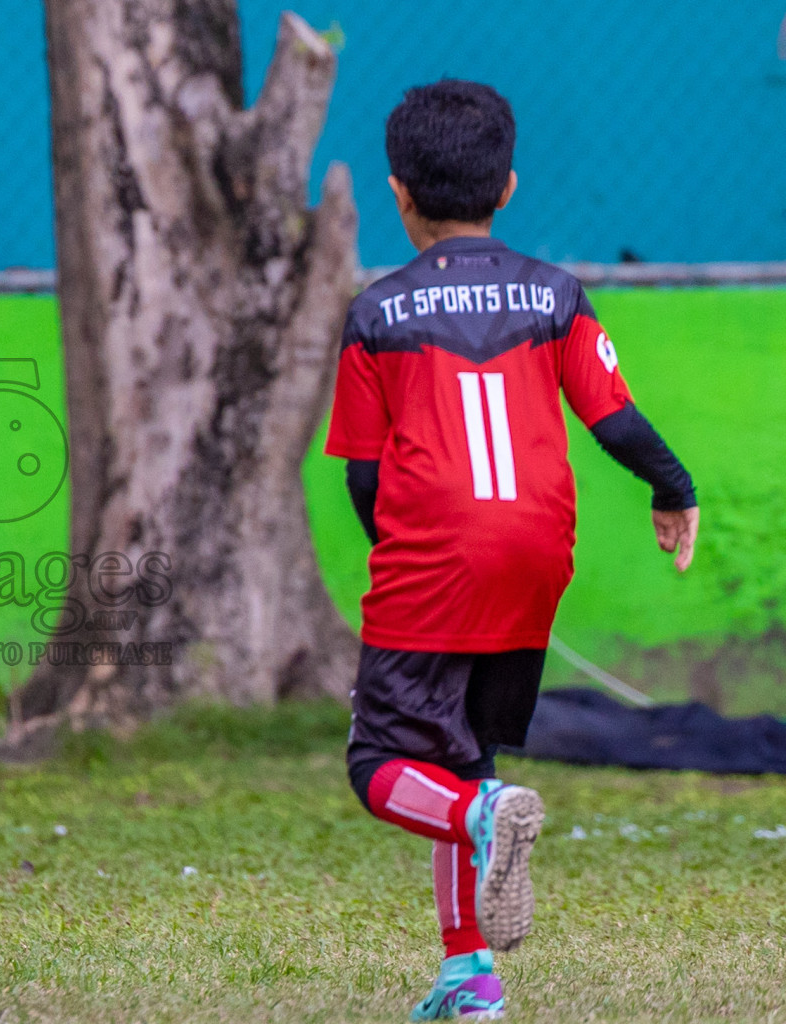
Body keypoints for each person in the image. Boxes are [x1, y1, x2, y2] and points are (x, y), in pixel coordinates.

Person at [325, 79, 699, 1021]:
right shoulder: (556, 294)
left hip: (436, 557)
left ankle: (481, 822)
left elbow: (364, 478)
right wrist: (673, 488)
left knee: (381, 764)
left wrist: (404, 557)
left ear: (398, 192)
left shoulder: (377, 314)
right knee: (466, 749)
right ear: (510, 187)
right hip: (538, 553)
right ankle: (470, 978)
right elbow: (615, 418)